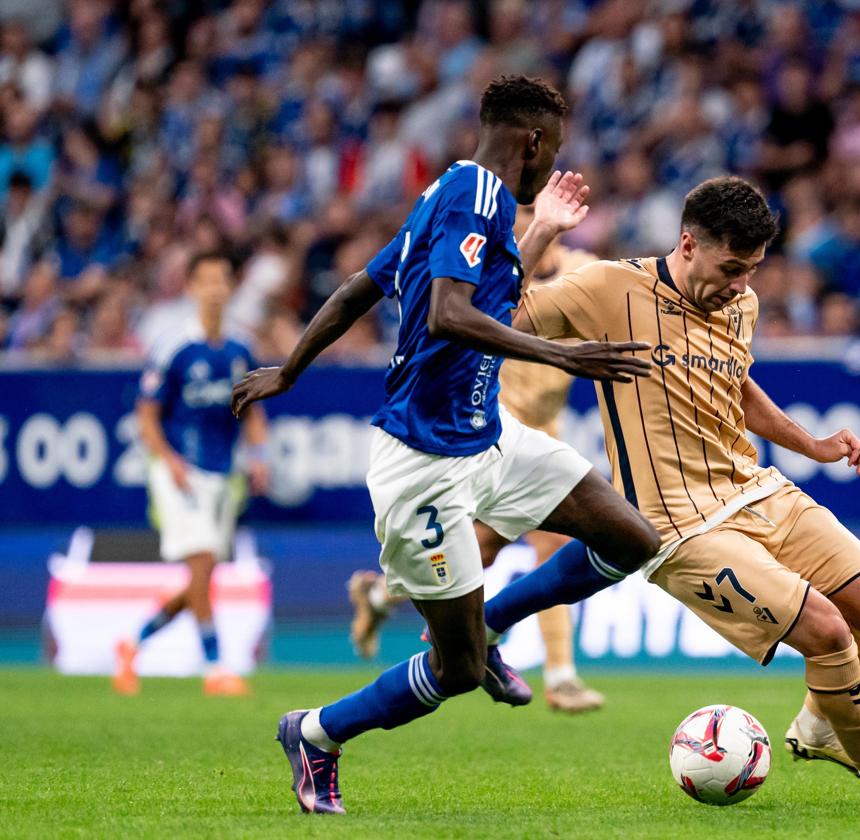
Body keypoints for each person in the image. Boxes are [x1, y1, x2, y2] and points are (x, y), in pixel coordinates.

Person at [230, 76, 660, 815]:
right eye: (550, 147)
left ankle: (494, 621)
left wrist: (290, 371)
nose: (550, 160)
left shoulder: (450, 195)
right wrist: (562, 356)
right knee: (455, 672)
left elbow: (359, 291)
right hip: (424, 470)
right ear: (530, 141)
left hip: (488, 440)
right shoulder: (474, 195)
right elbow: (447, 313)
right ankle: (317, 732)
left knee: (630, 537)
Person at [477, 176, 860, 806]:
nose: (741, 284)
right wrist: (539, 230)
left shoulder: (741, 303)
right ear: (688, 243)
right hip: (678, 526)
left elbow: (735, 381)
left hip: (755, 490)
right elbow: (494, 316)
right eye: (732, 267)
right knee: (827, 632)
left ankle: (822, 726)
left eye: (752, 269)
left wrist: (810, 443)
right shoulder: (609, 287)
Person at [347, 206, 607, 713]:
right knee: (482, 552)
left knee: (496, 550)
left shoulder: (585, 270)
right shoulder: (496, 270)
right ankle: (559, 674)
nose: (526, 220)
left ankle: (378, 599)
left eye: (534, 210)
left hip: (544, 428)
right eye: (520, 213)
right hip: (490, 427)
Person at [112, 251, 268, 697]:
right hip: (178, 468)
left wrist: (258, 455)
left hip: (223, 472)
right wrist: (170, 461)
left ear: (231, 287)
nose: (216, 289)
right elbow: (146, 415)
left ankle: (132, 642)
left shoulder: (241, 349)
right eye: (207, 281)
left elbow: (254, 412)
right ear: (192, 288)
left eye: (223, 280)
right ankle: (216, 666)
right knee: (201, 560)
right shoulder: (173, 345)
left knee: (202, 577)